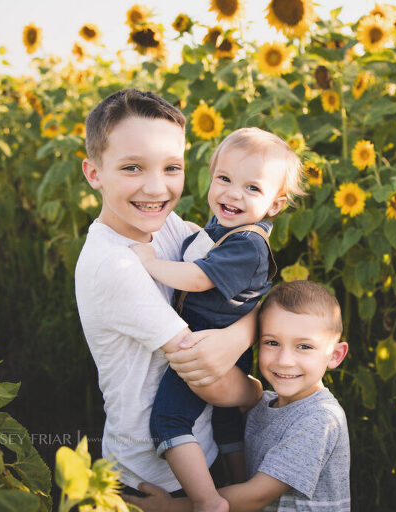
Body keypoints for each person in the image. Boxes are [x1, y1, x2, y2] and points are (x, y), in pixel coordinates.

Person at [75, 89, 261, 509]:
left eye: (171, 167)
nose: (156, 188)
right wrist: (255, 394)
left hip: (199, 447)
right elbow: (204, 369)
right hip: (152, 476)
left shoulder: (168, 225)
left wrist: (235, 337)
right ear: (93, 172)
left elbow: (245, 281)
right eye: (132, 167)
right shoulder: (114, 265)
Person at [132, 127, 305, 511]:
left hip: (209, 347)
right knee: (226, 424)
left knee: (169, 420)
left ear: (275, 205)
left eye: (252, 189)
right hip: (223, 343)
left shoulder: (248, 245)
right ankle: (238, 481)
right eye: (224, 179)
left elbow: (198, 277)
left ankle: (208, 501)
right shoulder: (225, 227)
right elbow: (203, 248)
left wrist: (151, 264)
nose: (232, 194)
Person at [126, 280, 351, 512]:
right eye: (272, 342)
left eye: (304, 347)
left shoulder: (320, 419)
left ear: (335, 355)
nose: (284, 360)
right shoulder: (265, 404)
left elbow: (256, 496)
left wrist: (170, 508)